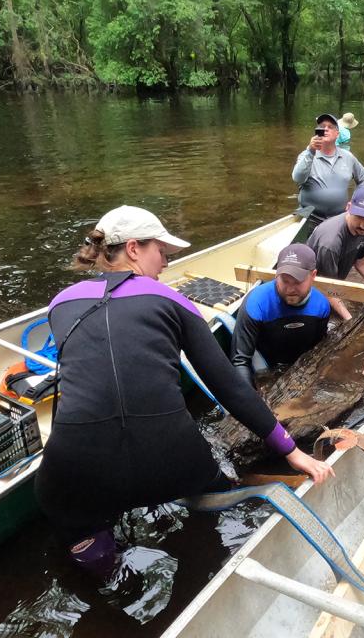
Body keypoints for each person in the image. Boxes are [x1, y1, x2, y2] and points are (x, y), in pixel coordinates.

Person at [36, 205, 333, 576]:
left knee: (70, 516)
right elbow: (228, 387)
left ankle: (106, 574)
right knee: (216, 494)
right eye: (162, 252)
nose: (165, 264)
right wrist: (289, 451)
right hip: (170, 461)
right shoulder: (173, 300)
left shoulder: (60, 304)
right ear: (133, 249)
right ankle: (207, 566)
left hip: (76, 468)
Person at [231, 244, 331, 386]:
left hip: (301, 370)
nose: (290, 289)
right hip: (264, 368)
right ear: (276, 274)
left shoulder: (321, 306)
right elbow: (240, 361)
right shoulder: (257, 303)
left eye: (297, 282)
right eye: (284, 280)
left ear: (313, 275)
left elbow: (319, 350)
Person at [307, 187, 364, 321]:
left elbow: (361, 262)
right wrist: (349, 318)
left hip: (332, 283)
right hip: (313, 288)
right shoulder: (330, 243)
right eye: (359, 216)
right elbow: (327, 288)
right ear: (348, 207)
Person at [292, 113, 364, 243]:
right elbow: (297, 178)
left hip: (338, 219)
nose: (326, 129)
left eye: (330, 127)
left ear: (337, 134)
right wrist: (311, 151)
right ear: (317, 132)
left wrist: (355, 202)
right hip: (309, 219)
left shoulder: (347, 157)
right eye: (322, 127)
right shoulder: (306, 155)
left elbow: (363, 177)